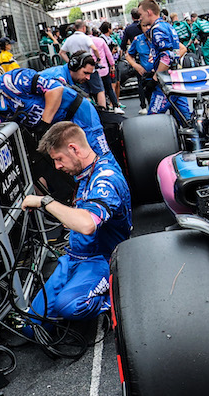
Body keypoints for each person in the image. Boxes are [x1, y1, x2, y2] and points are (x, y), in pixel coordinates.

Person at [20, 122, 130, 321]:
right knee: (31, 324)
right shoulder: (86, 172)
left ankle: (116, 295)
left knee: (70, 306)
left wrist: (45, 202)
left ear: (73, 149)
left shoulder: (106, 178)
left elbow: (87, 225)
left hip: (103, 259)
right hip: (74, 257)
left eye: (59, 159)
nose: (57, 166)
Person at [0, 66, 117, 164]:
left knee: (101, 158)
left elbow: (55, 90)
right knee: (75, 165)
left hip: (77, 112)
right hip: (59, 129)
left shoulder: (12, 80)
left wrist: (44, 124)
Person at [136, 0, 191, 121]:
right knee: (186, 120)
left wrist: (156, 78)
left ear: (149, 12)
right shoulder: (168, 26)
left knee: (153, 119)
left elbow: (167, 56)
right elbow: (176, 51)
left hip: (166, 82)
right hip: (177, 79)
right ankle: (195, 139)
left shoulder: (157, 29)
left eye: (140, 14)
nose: (140, 18)